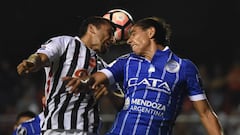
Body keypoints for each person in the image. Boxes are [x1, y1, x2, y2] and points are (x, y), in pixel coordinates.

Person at [63, 17, 224, 135]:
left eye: (133, 34)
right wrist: (82, 82)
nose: (129, 41)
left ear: (150, 32)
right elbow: (95, 78)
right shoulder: (126, 62)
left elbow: (205, 113)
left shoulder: (184, 67)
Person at [16, 16, 124, 135]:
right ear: (92, 29)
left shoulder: (104, 67)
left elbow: (121, 102)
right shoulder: (65, 42)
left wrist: (109, 93)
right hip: (56, 129)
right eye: (110, 33)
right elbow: (42, 56)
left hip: (88, 130)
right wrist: (32, 62)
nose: (113, 39)